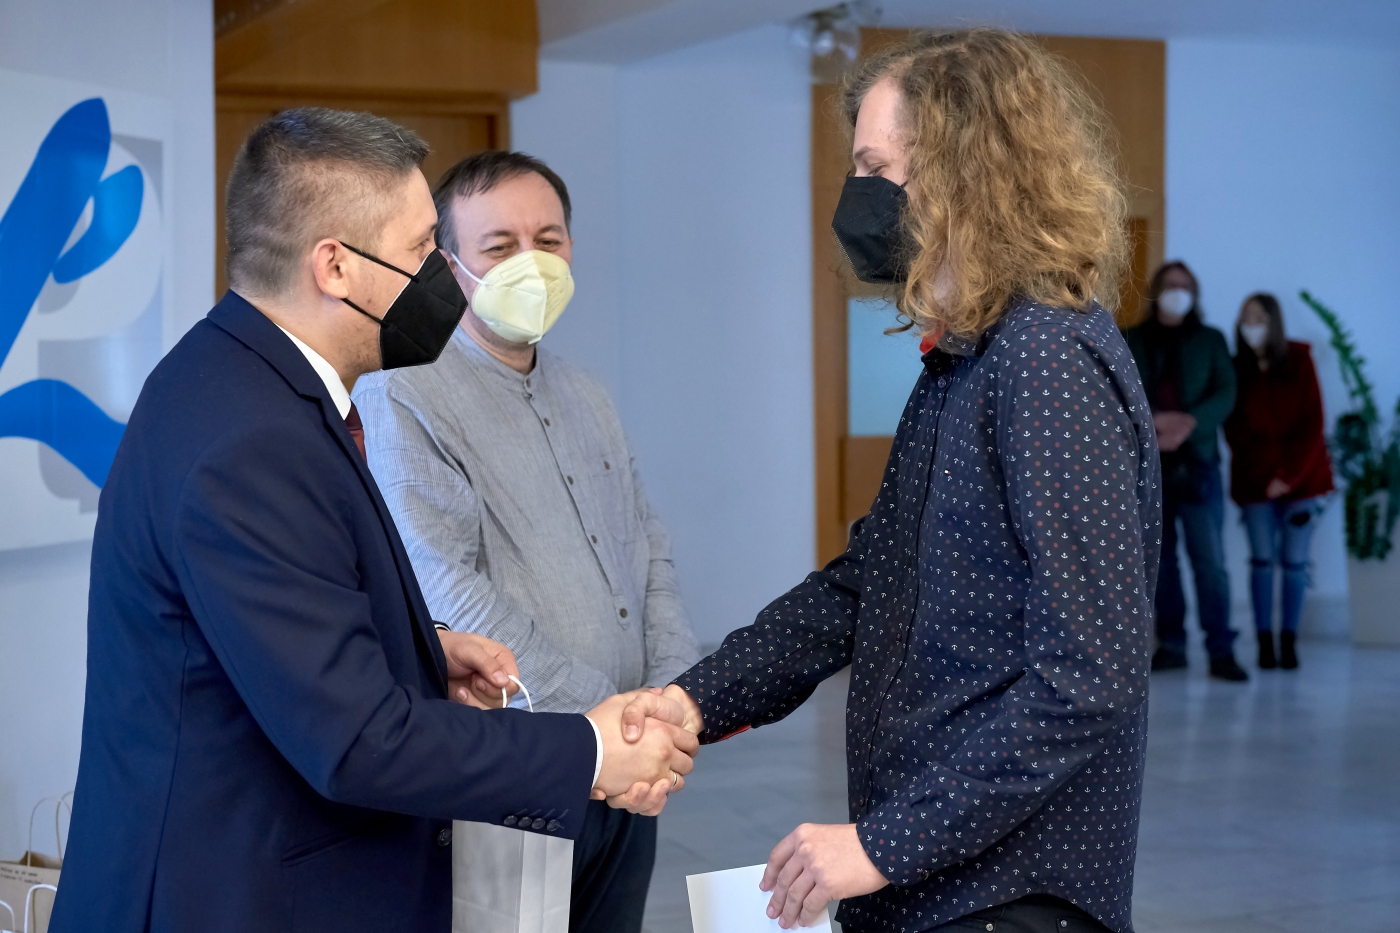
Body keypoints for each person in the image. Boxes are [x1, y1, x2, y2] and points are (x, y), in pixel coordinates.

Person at [48, 108, 697, 933]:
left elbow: (287, 629)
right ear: (336, 267)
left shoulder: (241, 381)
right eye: (423, 247)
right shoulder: (251, 439)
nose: (439, 274)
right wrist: (592, 747)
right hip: (233, 895)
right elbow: (356, 739)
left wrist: (421, 651)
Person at [656, 29, 1159, 933]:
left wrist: (882, 844)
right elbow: (865, 584)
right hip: (936, 871)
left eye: (877, 168)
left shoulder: (1046, 358)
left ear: (966, 168)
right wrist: (692, 700)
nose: (860, 198)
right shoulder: (966, 358)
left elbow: (1088, 674)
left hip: (1011, 891)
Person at [352, 149, 701, 933]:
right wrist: (608, 723)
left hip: (629, 766)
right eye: (500, 246)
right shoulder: (403, 391)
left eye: (548, 239)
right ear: (448, 266)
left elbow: (649, 551)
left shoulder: (587, 393)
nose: (531, 262)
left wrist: (670, 701)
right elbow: (447, 588)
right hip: (519, 770)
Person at [1124, 262, 1247, 680]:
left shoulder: (1211, 339)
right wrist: (1155, 423)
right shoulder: (1132, 338)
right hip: (1150, 465)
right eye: (1170, 285)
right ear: (1156, 291)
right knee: (1161, 563)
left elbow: (1227, 391)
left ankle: (1220, 649)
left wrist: (1189, 423)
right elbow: (1121, 390)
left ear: (1194, 294)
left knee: (1209, 561)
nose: (1177, 291)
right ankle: (1171, 645)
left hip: (1198, 464)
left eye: (1185, 286)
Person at [1224, 293, 1333, 669]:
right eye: (1245, 317)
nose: (1251, 324)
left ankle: (1288, 639)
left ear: (1274, 322)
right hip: (1254, 482)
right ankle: (1264, 642)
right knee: (1261, 561)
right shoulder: (1236, 368)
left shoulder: (1300, 360)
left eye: (1259, 317)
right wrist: (1265, 477)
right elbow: (1234, 430)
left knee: (1295, 562)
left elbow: (1313, 424)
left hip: (1302, 480)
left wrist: (1287, 477)